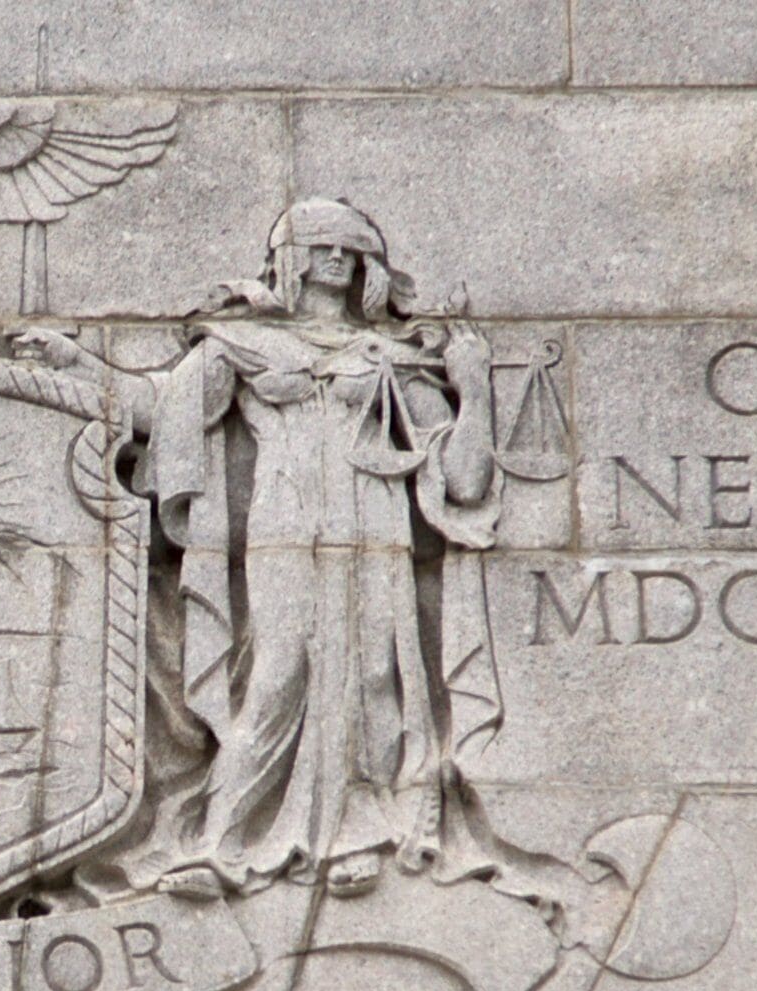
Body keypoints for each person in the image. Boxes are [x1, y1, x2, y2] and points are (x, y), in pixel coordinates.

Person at [140, 198, 502, 898]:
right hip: (285, 519)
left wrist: (475, 382)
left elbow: (464, 480)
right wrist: (77, 371)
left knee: (371, 674)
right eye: (318, 246)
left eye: (350, 247)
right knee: (277, 674)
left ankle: (355, 834)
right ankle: (223, 843)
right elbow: (163, 410)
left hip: (375, 521)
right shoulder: (242, 345)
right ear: (289, 257)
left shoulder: (391, 357)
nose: (335, 258)